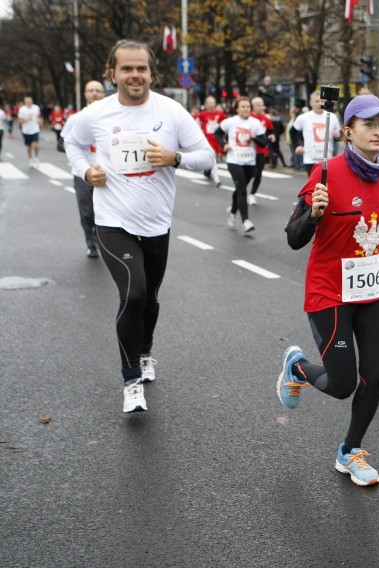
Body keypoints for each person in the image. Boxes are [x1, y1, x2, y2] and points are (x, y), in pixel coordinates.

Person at [280, 94, 379, 486]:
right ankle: (297, 367)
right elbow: (293, 238)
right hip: (329, 293)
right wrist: (314, 215)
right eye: (370, 124)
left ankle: (349, 451)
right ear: (348, 131)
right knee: (342, 385)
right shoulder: (324, 172)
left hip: (374, 290)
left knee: (375, 374)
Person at [63, 39, 215, 413]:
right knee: (133, 294)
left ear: (151, 73)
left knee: (149, 298)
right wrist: (86, 170)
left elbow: (208, 156)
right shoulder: (96, 113)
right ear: (112, 73)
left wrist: (173, 157)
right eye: (127, 69)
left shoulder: (171, 111)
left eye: (141, 68)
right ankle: (131, 379)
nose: (135, 75)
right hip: (113, 222)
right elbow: (72, 142)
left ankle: (145, 351)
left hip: (157, 224)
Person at [60, 80, 106, 258]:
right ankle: (91, 243)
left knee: (106, 211)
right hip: (83, 173)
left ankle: (104, 241)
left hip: (107, 173)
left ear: (103, 94)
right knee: (87, 212)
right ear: (85, 94)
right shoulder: (76, 118)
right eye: (91, 90)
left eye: (98, 91)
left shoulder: (110, 118)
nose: (94, 93)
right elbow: (62, 143)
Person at [214, 96, 267, 234]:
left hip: (250, 162)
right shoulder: (230, 122)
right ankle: (246, 221)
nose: (245, 109)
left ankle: (232, 212)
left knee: (239, 190)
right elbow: (217, 133)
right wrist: (223, 145)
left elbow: (264, 143)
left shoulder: (256, 123)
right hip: (234, 161)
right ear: (237, 108)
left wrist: (254, 137)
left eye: (248, 107)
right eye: (242, 106)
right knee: (242, 190)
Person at [293, 90, 341, 177]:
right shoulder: (304, 117)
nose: (320, 103)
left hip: (328, 158)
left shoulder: (332, 117)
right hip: (310, 158)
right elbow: (292, 132)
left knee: (327, 186)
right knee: (313, 186)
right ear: (311, 103)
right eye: (317, 101)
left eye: (322, 101)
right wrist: (297, 145)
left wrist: (338, 136)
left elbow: (339, 136)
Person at [248, 96, 275, 206]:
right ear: (253, 106)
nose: (261, 107)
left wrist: (272, 135)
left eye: (261, 105)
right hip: (248, 150)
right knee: (250, 172)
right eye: (258, 105)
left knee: (258, 173)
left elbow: (270, 130)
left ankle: (252, 194)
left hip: (261, 150)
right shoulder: (248, 118)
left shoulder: (266, 119)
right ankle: (242, 190)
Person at [197, 96, 227, 186]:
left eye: (212, 102)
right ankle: (217, 178)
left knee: (215, 157)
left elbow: (225, 123)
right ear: (205, 104)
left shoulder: (220, 114)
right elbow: (196, 125)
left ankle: (207, 171)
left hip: (217, 138)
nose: (211, 105)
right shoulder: (202, 115)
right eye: (209, 103)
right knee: (212, 156)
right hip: (208, 139)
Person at [17, 96, 42, 168]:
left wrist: (40, 121)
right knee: (29, 146)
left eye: (30, 101)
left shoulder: (36, 108)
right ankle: (31, 159)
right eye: (27, 102)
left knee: (36, 145)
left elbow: (39, 117)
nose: (29, 103)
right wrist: (28, 119)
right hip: (26, 130)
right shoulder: (22, 109)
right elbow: (20, 121)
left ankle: (36, 158)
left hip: (35, 129)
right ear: (25, 102)